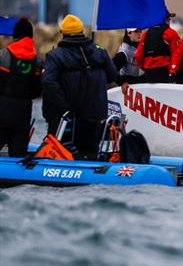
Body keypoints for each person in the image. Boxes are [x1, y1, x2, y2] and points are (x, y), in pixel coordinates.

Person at [41, 14, 121, 159]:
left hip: (68, 118)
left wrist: (63, 107)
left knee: (63, 154)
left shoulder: (55, 56)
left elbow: (47, 81)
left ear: (63, 33)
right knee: (90, 154)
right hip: (95, 116)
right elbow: (113, 76)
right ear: (81, 31)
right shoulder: (100, 52)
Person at [0, 18, 43, 157]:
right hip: (24, 111)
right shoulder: (37, 60)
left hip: (2, 109)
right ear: (30, 36)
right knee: (18, 153)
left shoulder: (3, 55)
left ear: (14, 36)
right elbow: (37, 90)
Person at [135, 11, 180, 83]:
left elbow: (138, 55)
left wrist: (145, 68)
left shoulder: (146, 33)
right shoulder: (171, 33)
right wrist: (173, 71)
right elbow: (177, 54)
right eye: (168, 19)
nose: (169, 22)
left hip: (149, 73)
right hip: (165, 71)